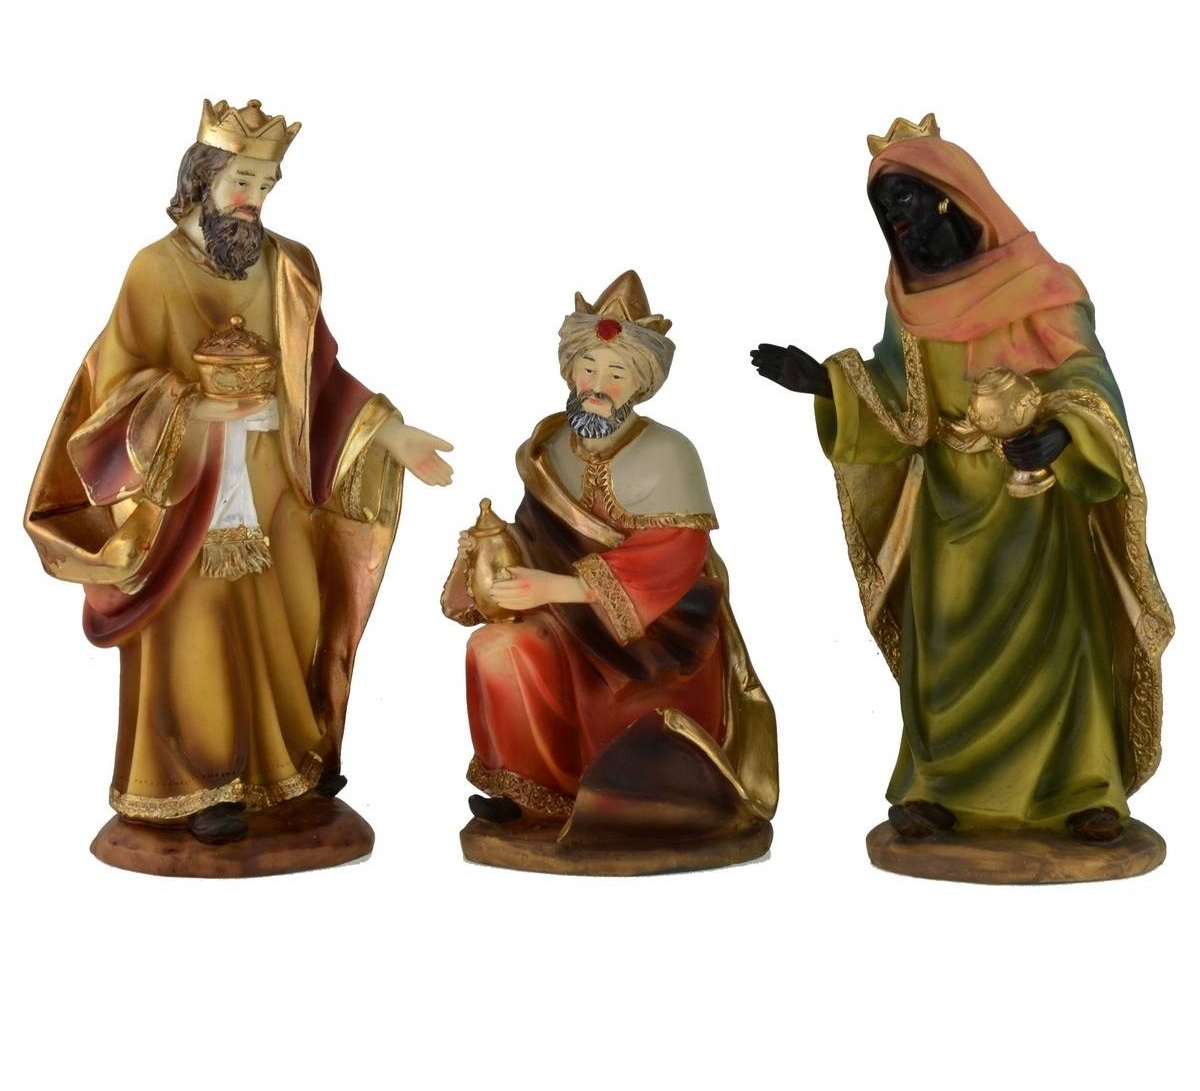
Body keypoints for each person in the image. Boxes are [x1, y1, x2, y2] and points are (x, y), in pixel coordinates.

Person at [26, 98, 453, 845]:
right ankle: (200, 783)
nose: (255, 199)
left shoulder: (289, 265)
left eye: (267, 183)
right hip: (184, 489)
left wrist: (390, 431)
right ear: (201, 179)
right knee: (199, 625)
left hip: (273, 481)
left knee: (294, 611)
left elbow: (319, 376)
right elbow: (114, 386)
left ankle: (289, 766)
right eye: (242, 181)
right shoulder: (153, 270)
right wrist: (191, 410)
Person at [752, 114, 1172, 843]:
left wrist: (1063, 432)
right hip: (948, 505)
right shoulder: (909, 300)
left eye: (905, 200)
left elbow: (1085, 376)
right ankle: (937, 789)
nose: (896, 220)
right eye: (883, 209)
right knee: (942, 646)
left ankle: (1083, 789)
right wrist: (825, 382)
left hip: (1033, 503)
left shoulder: (1039, 285)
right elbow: (901, 397)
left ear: (951, 193)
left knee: (1056, 648)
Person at [443, 271, 777, 837]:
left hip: (657, 630)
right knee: (496, 647)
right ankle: (529, 790)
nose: (597, 385)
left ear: (640, 384)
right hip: (563, 616)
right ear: (570, 370)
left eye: (616, 373)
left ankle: (618, 799)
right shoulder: (549, 447)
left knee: (616, 698)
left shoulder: (669, 453)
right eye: (588, 368)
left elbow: (674, 557)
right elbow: (538, 535)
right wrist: (493, 547)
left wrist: (565, 588)